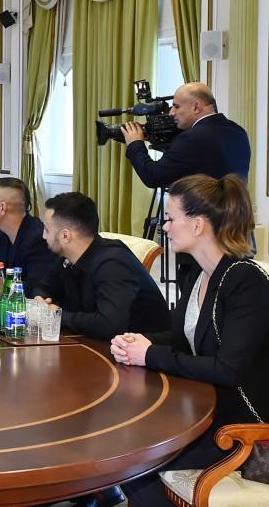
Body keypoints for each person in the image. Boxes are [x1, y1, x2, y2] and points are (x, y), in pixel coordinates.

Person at [112, 174, 269, 505]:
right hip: (203, 410)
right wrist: (136, 342)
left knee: (135, 466)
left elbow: (228, 370)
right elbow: (183, 338)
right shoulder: (198, 273)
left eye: (171, 219)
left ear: (197, 225)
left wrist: (149, 354)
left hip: (239, 427)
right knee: (125, 444)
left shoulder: (246, 281)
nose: (164, 227)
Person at [32, 192, 170, 340]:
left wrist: (58, 316)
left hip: (142, 348)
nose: (43, 236)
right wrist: (42, 302)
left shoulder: (113, 263)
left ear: (65, 236)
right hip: (96, 343)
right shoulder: (67, 256)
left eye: (46, 230)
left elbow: (109, 325)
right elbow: (42, 288)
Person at [122, 82, 251, 188]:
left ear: (196, 107)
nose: (171, 113)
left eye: (176, 106)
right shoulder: (238, 131)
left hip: (203, 211)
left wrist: (135, 143)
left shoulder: (190, 138)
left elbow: (153, 177)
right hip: (236, 210)